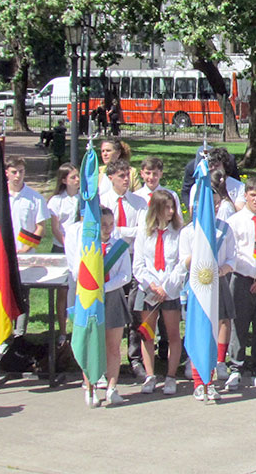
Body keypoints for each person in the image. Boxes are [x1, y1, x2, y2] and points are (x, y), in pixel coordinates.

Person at [65, 208, 131, 406]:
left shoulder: (119, 246)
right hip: (90, 300)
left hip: (112, 298)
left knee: (113, 347)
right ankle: (91, 387)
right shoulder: (85, 247)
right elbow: (77, 272)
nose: (108, 228)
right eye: (103, 224)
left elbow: (125, 275)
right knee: (91, 343)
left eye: (111, 224)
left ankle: (112, 388)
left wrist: (104, 287)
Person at [178, 184, 236, 401]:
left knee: (218, 325)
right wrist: (201, 248)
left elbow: (232, 257)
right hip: (197, 284)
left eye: (213, 204)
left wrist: (224, 269)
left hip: (217, 281)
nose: (209, 208)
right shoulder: (188, 232)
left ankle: (212, 373)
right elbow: (183, 260)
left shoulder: (224, 229)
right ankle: (197, 380)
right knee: (198, 329)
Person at [99, 158, 149, 379]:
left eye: (128, 175)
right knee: (108, 318)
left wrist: (121, 231)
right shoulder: (102, 202)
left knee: (133, 313)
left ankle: (134, 358)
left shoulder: (138, 203)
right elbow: (113, 232)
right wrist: (126, 231)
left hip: (133, 260)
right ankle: (105, 363)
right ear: (110, 178)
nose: (126, 180)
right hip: (109, 263)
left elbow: (142, 231)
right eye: (121, 176)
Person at [225, 176, 256, 390]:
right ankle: (236, 367)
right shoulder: (234, 222)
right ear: (245, 195)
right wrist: (255, 274)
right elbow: (233, 254)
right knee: (240, 325)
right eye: (253, 195)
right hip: (243, 278)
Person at [132, 189, 183, 395]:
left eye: (173, 207)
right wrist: (151, 285)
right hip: (150, 290)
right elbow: (139, 264)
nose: (171, 211)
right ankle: (150, 375)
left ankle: (171, 376)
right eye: (166, 208)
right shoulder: (144, 231)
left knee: (172, 335)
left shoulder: (178, 233)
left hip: (169, 290)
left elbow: (181, 264)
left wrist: (166, 287)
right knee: (148, 335)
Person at [7, 156, 50, 340]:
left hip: (25, 255)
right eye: (14, 172)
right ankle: (4, 334)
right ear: (7, 173)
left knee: (23, 296)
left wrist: (27, 246)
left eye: (21, 172)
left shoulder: (34, 198)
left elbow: (41, 227)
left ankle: (19, 334)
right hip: (5, 255)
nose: (18, 176)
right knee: (4, 295)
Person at [47, 163, 80, 337]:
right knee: (62, 292)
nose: (77, 180)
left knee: (78, 291)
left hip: (79, 251)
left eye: (78, 176)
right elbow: (55, 228)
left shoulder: (83, 199)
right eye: (73, 177)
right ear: (64, 180)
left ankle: (78, 328)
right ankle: (62, 330)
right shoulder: (56, 201)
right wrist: (68, 246)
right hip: (62, 249)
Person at [189, 148, 245, 213]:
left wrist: (225, 195)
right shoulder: (197, 187)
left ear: (224, 166)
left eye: (217, 165)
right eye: (210, 165)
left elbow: (240, 213)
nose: (213, 168)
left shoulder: (239, 186)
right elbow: (194, 212)